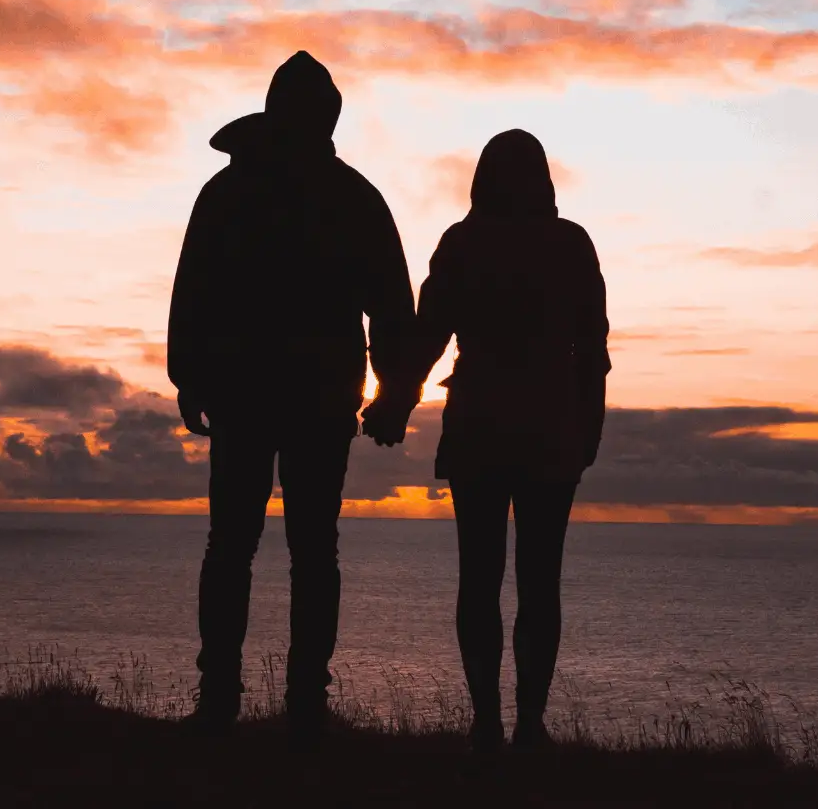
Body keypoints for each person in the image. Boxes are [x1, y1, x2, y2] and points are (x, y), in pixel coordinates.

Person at [168, 50, 420, 745]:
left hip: (261, 392)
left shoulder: (232, 194)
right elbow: (391, 306)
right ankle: (289, 701)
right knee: (304, 550)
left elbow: (194, 290)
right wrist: (393, 390)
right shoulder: (348, 196)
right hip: (305, 394)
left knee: (240, 547)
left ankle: (234, 699)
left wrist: (189, 372)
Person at [376, 129, 609, 753]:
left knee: (479, 580)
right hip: (549, 432)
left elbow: (428, 339)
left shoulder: (463, 243)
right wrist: (588, 428)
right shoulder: (570, 245)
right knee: (539, 582)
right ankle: (527, 725)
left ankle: (489, 724)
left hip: (481, 427)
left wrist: (394, 402)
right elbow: (593, 352)